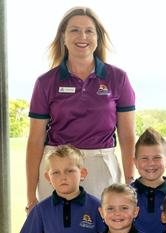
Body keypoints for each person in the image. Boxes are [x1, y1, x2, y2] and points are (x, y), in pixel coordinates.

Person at [26, 6, 136, 207]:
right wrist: (31, 196)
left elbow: (127, 137)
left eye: (89, 31)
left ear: (97, 37)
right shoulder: (45, 82)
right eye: (74, 30)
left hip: (102, 165)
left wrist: (130, 182)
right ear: (63, 37)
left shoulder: (118, 78)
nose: (82, 36)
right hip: (58, 167)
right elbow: (35, 140)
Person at [132, 128, 166, 233]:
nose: (151, 163)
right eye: (144, 158)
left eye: (157, 158)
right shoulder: (125, 195)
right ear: (135, 162)